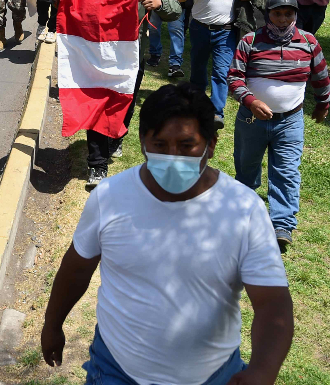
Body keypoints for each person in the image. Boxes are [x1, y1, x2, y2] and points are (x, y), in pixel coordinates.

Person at [40, 82, 294, 385]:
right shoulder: (109, 197)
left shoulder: (244, 209)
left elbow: (272, 302)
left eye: (187, 146)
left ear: (210, 145)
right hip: (115, 370)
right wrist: (52, 325)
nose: (173, 157)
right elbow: (77, 267)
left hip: (214, 375)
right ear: (143, 143)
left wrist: (263, 371)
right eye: (160, 145)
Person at [73, 0, 181, 189]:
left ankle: (117, 136)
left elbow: (175, 8)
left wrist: (159, 3)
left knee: (125, 105)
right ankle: (97, 165)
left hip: (130, 60)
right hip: (97, 59)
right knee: (99, 109)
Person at [229, 0, 330, 249]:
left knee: (286, 171)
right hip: (251, 120)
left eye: (289, 14)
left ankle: (282, 224)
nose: (283, 19)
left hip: (290, 121)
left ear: (296, 15)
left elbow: (321, 76)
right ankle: (245, 213)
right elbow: (235, 78)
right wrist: (251, 102)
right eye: (277, 13)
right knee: (246, 166)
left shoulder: (308, 42)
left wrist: (323, 103)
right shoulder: (250, 41)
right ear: (268, 14)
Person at [175, 0, 252, 129]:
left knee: (221, 72)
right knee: (198, 70)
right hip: (200, 27)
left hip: (226, 31)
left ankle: (216, 112)